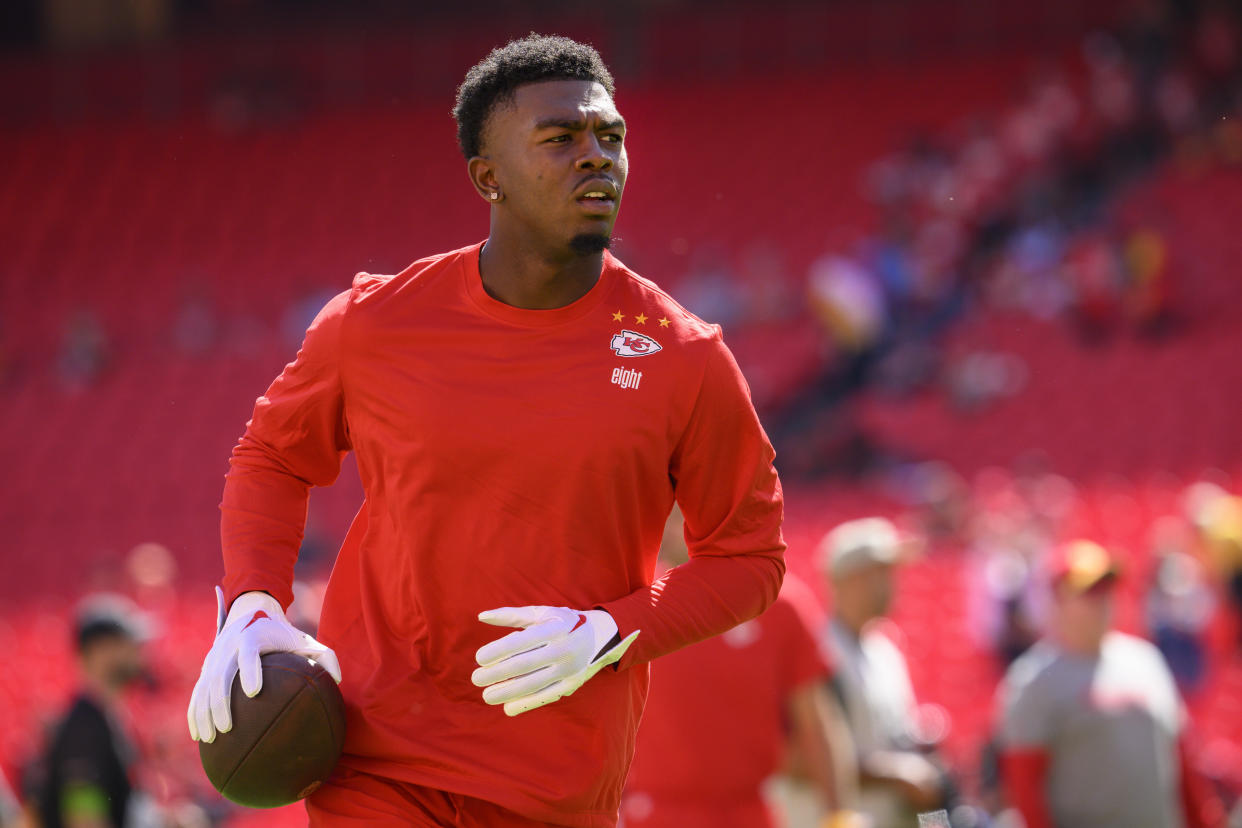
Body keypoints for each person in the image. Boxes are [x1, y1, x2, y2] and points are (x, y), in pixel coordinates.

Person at [186, 34, 786, 828]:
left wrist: (613, 630)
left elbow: (750, 560)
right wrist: (255, 603)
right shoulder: (373, 323)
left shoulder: (685, 357)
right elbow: (270, 454)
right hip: (375, 760)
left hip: (556, 785)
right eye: (561, 138)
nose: (596, 157)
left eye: (610, 137)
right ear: (487, 177)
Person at [621, 508, 859, 828]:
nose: (681, 526)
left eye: (690, 512)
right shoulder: (632, 602)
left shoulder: (780, 603)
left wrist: (838, 815)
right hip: (654, 815)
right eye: (672, 515)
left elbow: (816, 721)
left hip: (750, 813)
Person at [996, 540, 1225, 828]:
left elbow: (1183, 762)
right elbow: (1025, 790)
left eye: (1106, 589)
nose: (1101, 599)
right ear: (1057, 600)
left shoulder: (1146, 659)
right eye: (1088, 591)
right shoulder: (1032, 680)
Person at [819, 518, 951, 828]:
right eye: (881, 572)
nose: (893, 583)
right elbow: (798, 758)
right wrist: (897, 772)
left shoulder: (884, 650)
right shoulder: (819, 652)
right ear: (849, 579)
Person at [36, 595, 153, 828]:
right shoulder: (84, 730)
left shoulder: (102, 719)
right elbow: (85, 821)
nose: (140, 652)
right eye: (131, 642)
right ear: (101, 652)